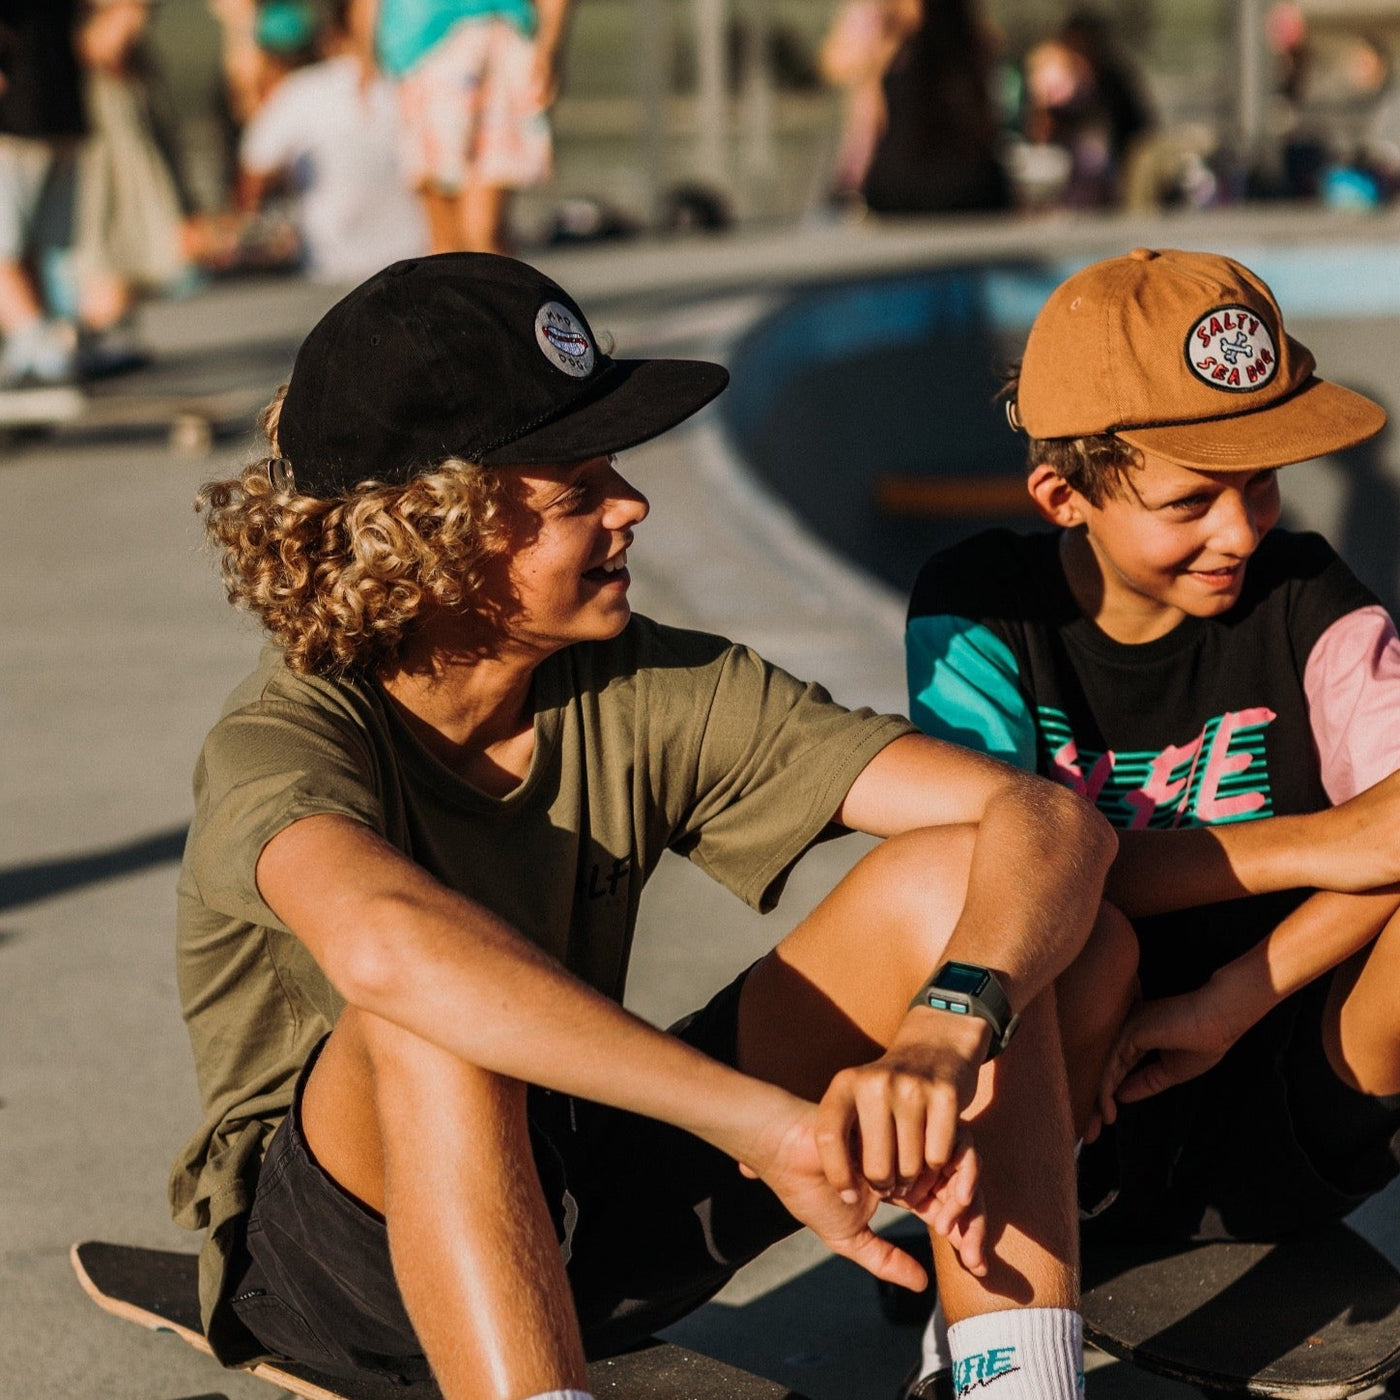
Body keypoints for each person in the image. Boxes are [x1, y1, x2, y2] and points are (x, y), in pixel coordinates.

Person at [170, 252, 1125, 1400]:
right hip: (339, 1266)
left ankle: (1018, 1382)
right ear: (429, 534)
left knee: (974, 891)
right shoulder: (286, 737)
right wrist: (766, 1127)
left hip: (578, 1190)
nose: (631, 503)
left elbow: (1037, 819)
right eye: (577, 489)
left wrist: (946, 1023)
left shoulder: (642, 683)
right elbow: (384, 946)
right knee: (428, 1009)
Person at [905, 247, 1400, 1391]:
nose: (1240, 530)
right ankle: (983, 1307)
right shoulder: (982, 605)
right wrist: (1335, 839)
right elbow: (987, 872)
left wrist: (1228, 1000)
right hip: (1060, 1118)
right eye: (1189, 498)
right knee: (1068, 938)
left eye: (1262, 481)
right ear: (1060, 496)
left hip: (1283, 1071)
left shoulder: (1310, 597)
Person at [348, 0, 572, 254]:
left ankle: (495, 290)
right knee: (444, 238)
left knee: (483, 233)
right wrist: (365, 55)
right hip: (415, 59)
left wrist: (550, 45)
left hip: (490, 43)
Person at [238, 0, 427, 283]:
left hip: (333, 270)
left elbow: (252, 182)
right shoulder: (415, 82)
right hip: (418, 259)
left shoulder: (297, 93)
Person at [0, 0, 86, 402]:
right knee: (31, 245)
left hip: (15, 118)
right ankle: (46, 344)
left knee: (5, 249)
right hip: (63, 110)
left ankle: (38, 346)